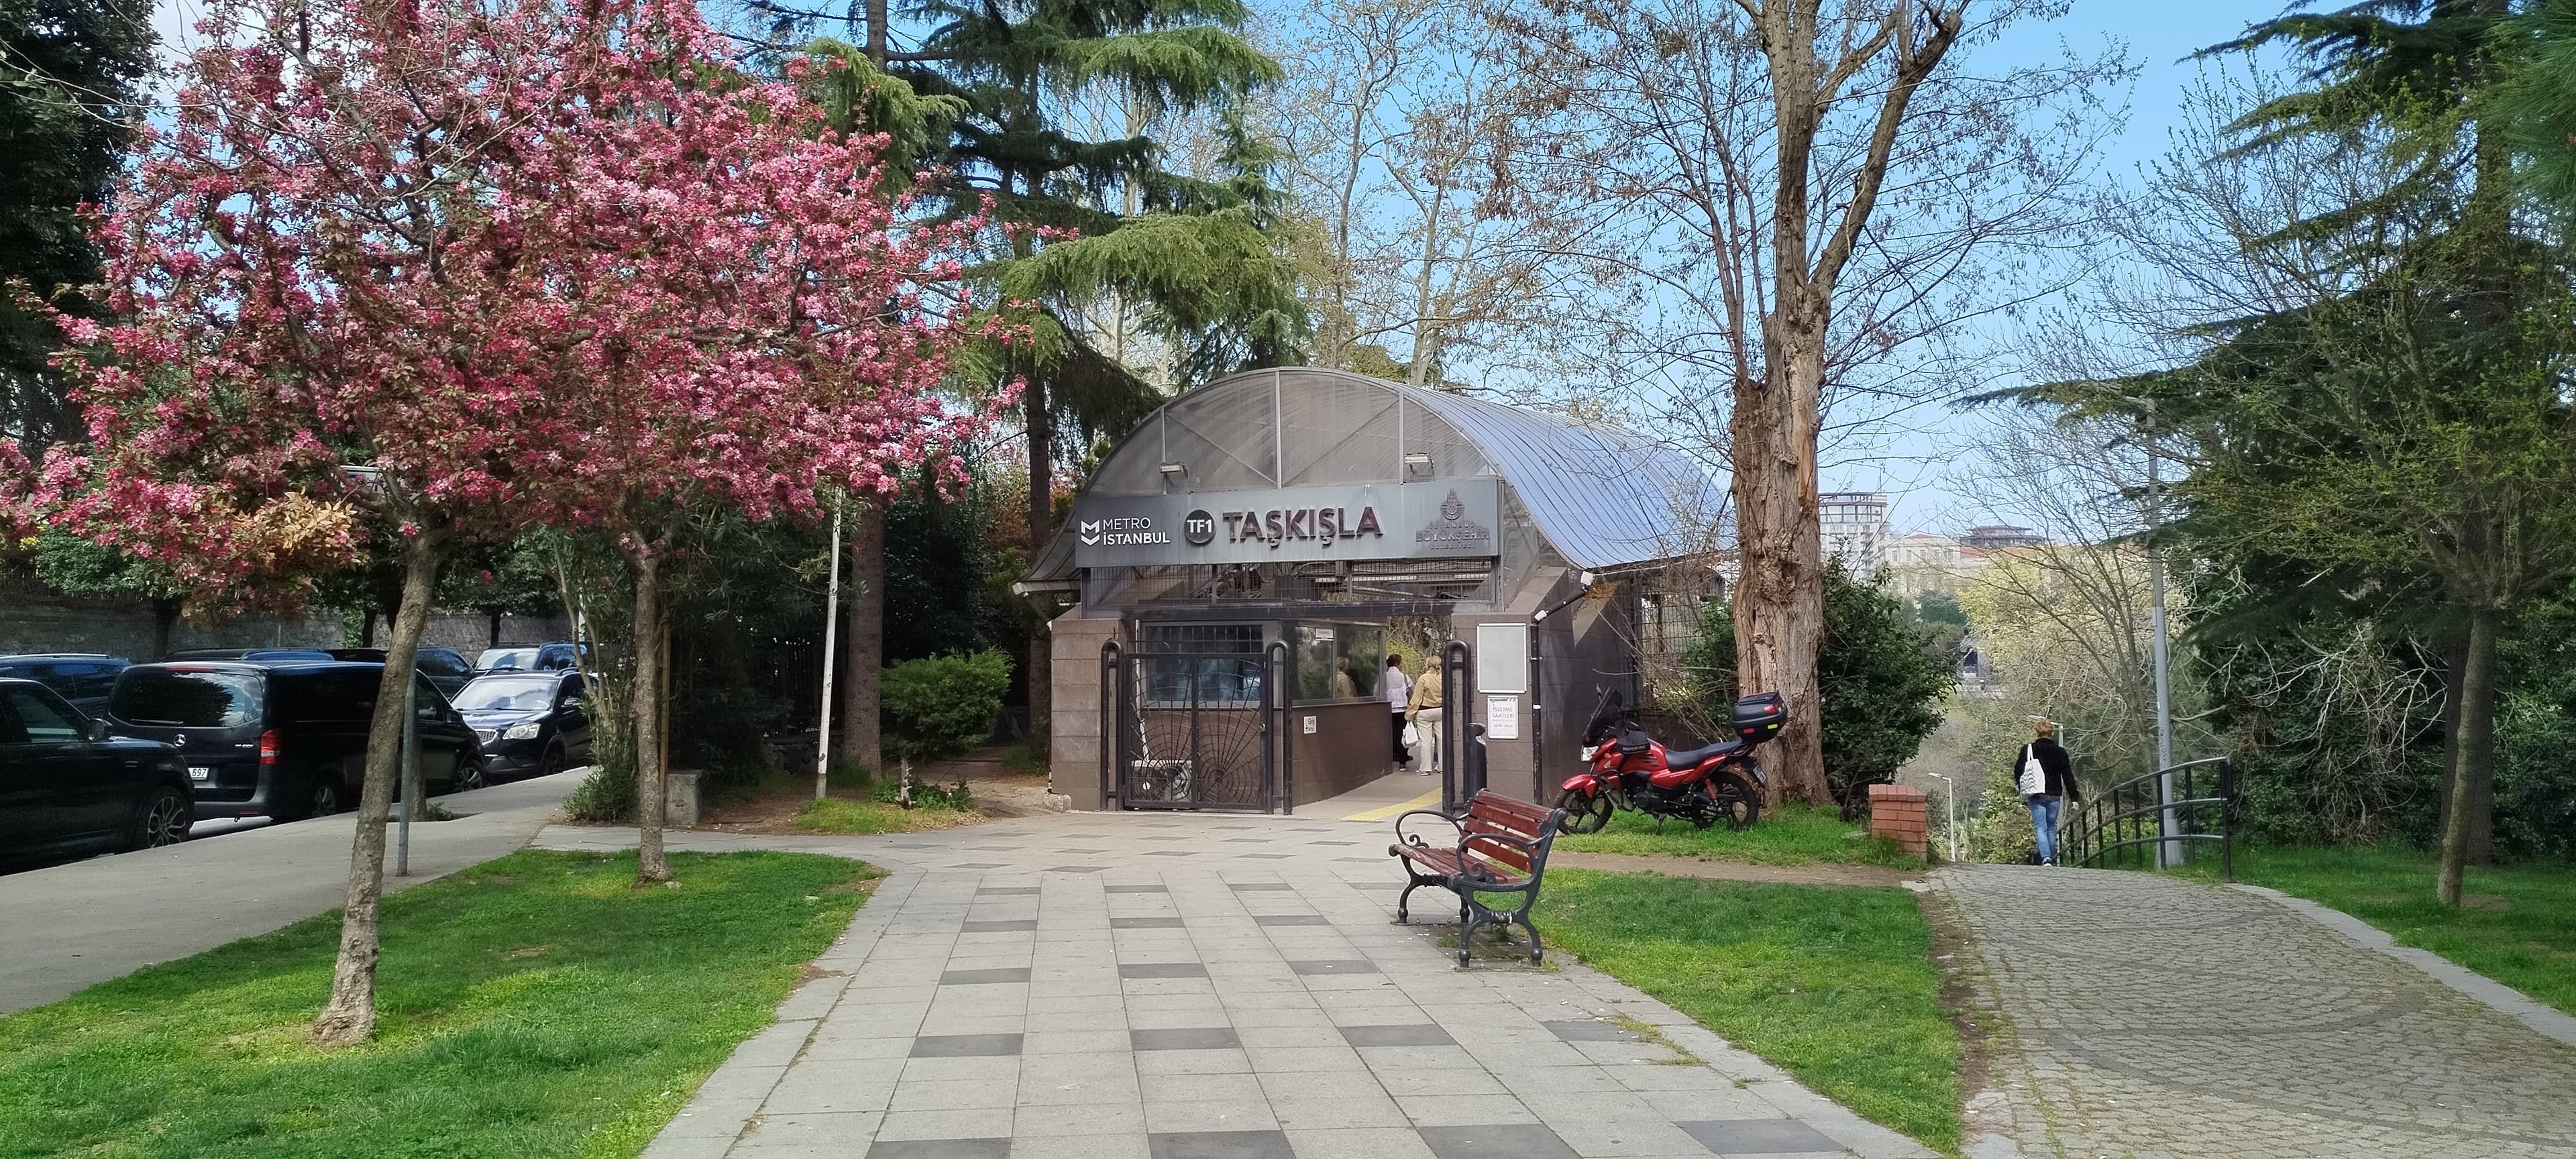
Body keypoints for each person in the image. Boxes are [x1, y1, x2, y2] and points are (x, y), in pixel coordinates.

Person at [2013, 720, 2077, 866]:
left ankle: (2046, 858)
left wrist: (2020, 785)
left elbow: (2018, 771)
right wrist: (2074, 797)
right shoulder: (2060, 752)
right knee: (2051, 826)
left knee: (2040, 826)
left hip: (2036, 792)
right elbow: (2067, 775)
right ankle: (2050, 858)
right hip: (2055, 793)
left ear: (2037, 732)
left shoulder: (2028, 749)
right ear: (2052, 733)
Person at [1409, 663, 1446, 777]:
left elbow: (1417, 697)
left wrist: (1410, 713)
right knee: (1441, 738)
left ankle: (1425, 768)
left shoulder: (1424, 678)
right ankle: (1442, 766)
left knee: (1426, 741)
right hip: (1440, 710)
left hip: (1425, 712)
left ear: (1428, 665)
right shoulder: (1444, 677)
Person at [1383, 655, 1413, 769]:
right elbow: (1412, 691)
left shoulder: (1383, 677)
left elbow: (1377, 691)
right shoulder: (1404, 677)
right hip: (1402, 709)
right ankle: (1403, 759)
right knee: (1402, 734)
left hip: (1387, 710)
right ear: (1398, 664)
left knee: (1391, 733)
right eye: (1401, 663)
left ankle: (1392, 754)